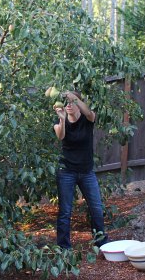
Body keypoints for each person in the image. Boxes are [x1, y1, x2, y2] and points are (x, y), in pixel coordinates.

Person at [53, 90, 108, 249]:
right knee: (65, 212)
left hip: (86, 172)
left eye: (73, 102)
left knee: (96, 208)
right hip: (66, 172)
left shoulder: (88, 119)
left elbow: (90, 112)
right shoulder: (59, 121)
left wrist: (73, 97)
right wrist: (62, 120)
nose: (69, 105)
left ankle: (101, 244)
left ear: (79, 104)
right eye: (67, 103)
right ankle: (64, 248)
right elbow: (61, 136)